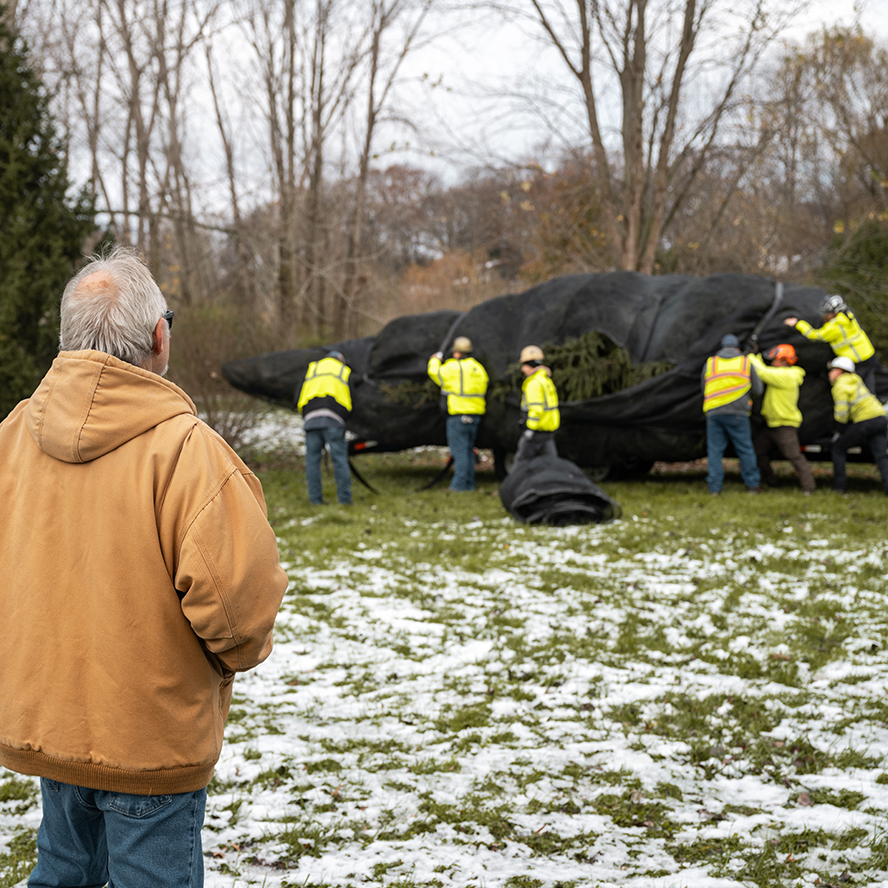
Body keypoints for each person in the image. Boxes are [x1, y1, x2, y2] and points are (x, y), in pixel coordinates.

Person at [0, 247, 288, 887]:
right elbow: (239, 614)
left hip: (52, 723)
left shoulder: (13, 433)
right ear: (159, 338)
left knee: (63, 871)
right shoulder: (188, 451)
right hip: (150, 736)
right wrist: (225, 662)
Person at [748, 343, 816, 495]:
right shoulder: (781, 374)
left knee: (794, 457)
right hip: (772, 424)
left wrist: (751, 356)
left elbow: (762, 372)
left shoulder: (788, 376)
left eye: (775, 360)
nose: (772, 363)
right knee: (758, 451)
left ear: (785, 361)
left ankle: (808, 488)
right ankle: (770, 482)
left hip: (785, 425)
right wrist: (757, 355)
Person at [702, 333, 763, 494]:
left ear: (721, 347)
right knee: (744, 449)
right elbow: (758, 389)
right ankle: (752, 485)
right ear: (737, 348)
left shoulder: (711, 363)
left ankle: (715, 488)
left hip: (714, 412)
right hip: (738, 413)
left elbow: (704, 388)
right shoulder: (744, 362)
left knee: (715, 451)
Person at [427, 336, 489, 491]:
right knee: (468, 451)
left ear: (457, 353)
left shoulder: (453, 367)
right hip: (475, 416)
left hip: (458, 416)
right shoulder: (479, 369)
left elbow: (434, 372)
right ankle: (469, 484)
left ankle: (458, 486)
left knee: (459, 452)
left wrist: (435, 359)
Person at [784, 294, 879, 393]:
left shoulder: (835, 327)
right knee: (869, 383)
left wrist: (798, 324)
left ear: (835, 312)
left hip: (858, 361)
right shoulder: (847, 315)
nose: (825, 316)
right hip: (868, 354)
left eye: (827, 313)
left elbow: (815, 335)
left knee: (859, 389)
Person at [297, 350, 353, 504]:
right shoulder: (343, 370)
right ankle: (345, 500)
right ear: (340, 360)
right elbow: (351, 396)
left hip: (311, 419)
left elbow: (298, 395)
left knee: (312, 461)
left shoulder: (313, 369)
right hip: (334, 419)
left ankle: (315, 500)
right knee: (340, 460)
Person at [827, 355, 888, 495]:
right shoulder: (856, 380)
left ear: (839, 371)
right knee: (881, 457)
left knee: (838, 449)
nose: (830, 373)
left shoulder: (840, 385)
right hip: (880, 419)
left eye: (832, 370)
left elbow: (841, 412)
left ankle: (839, 488)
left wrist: (840, 430)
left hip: (865, 421)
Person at [515, 344, 560, 463]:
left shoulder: (533, 383)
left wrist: (530, 428)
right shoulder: (546, 380)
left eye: (524, 366)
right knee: (551, 463)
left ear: (530, 366)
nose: (522, 370)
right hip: (548, 431)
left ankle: (518, 482)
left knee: (521, 462)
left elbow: (536, 408)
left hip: (535, 432)